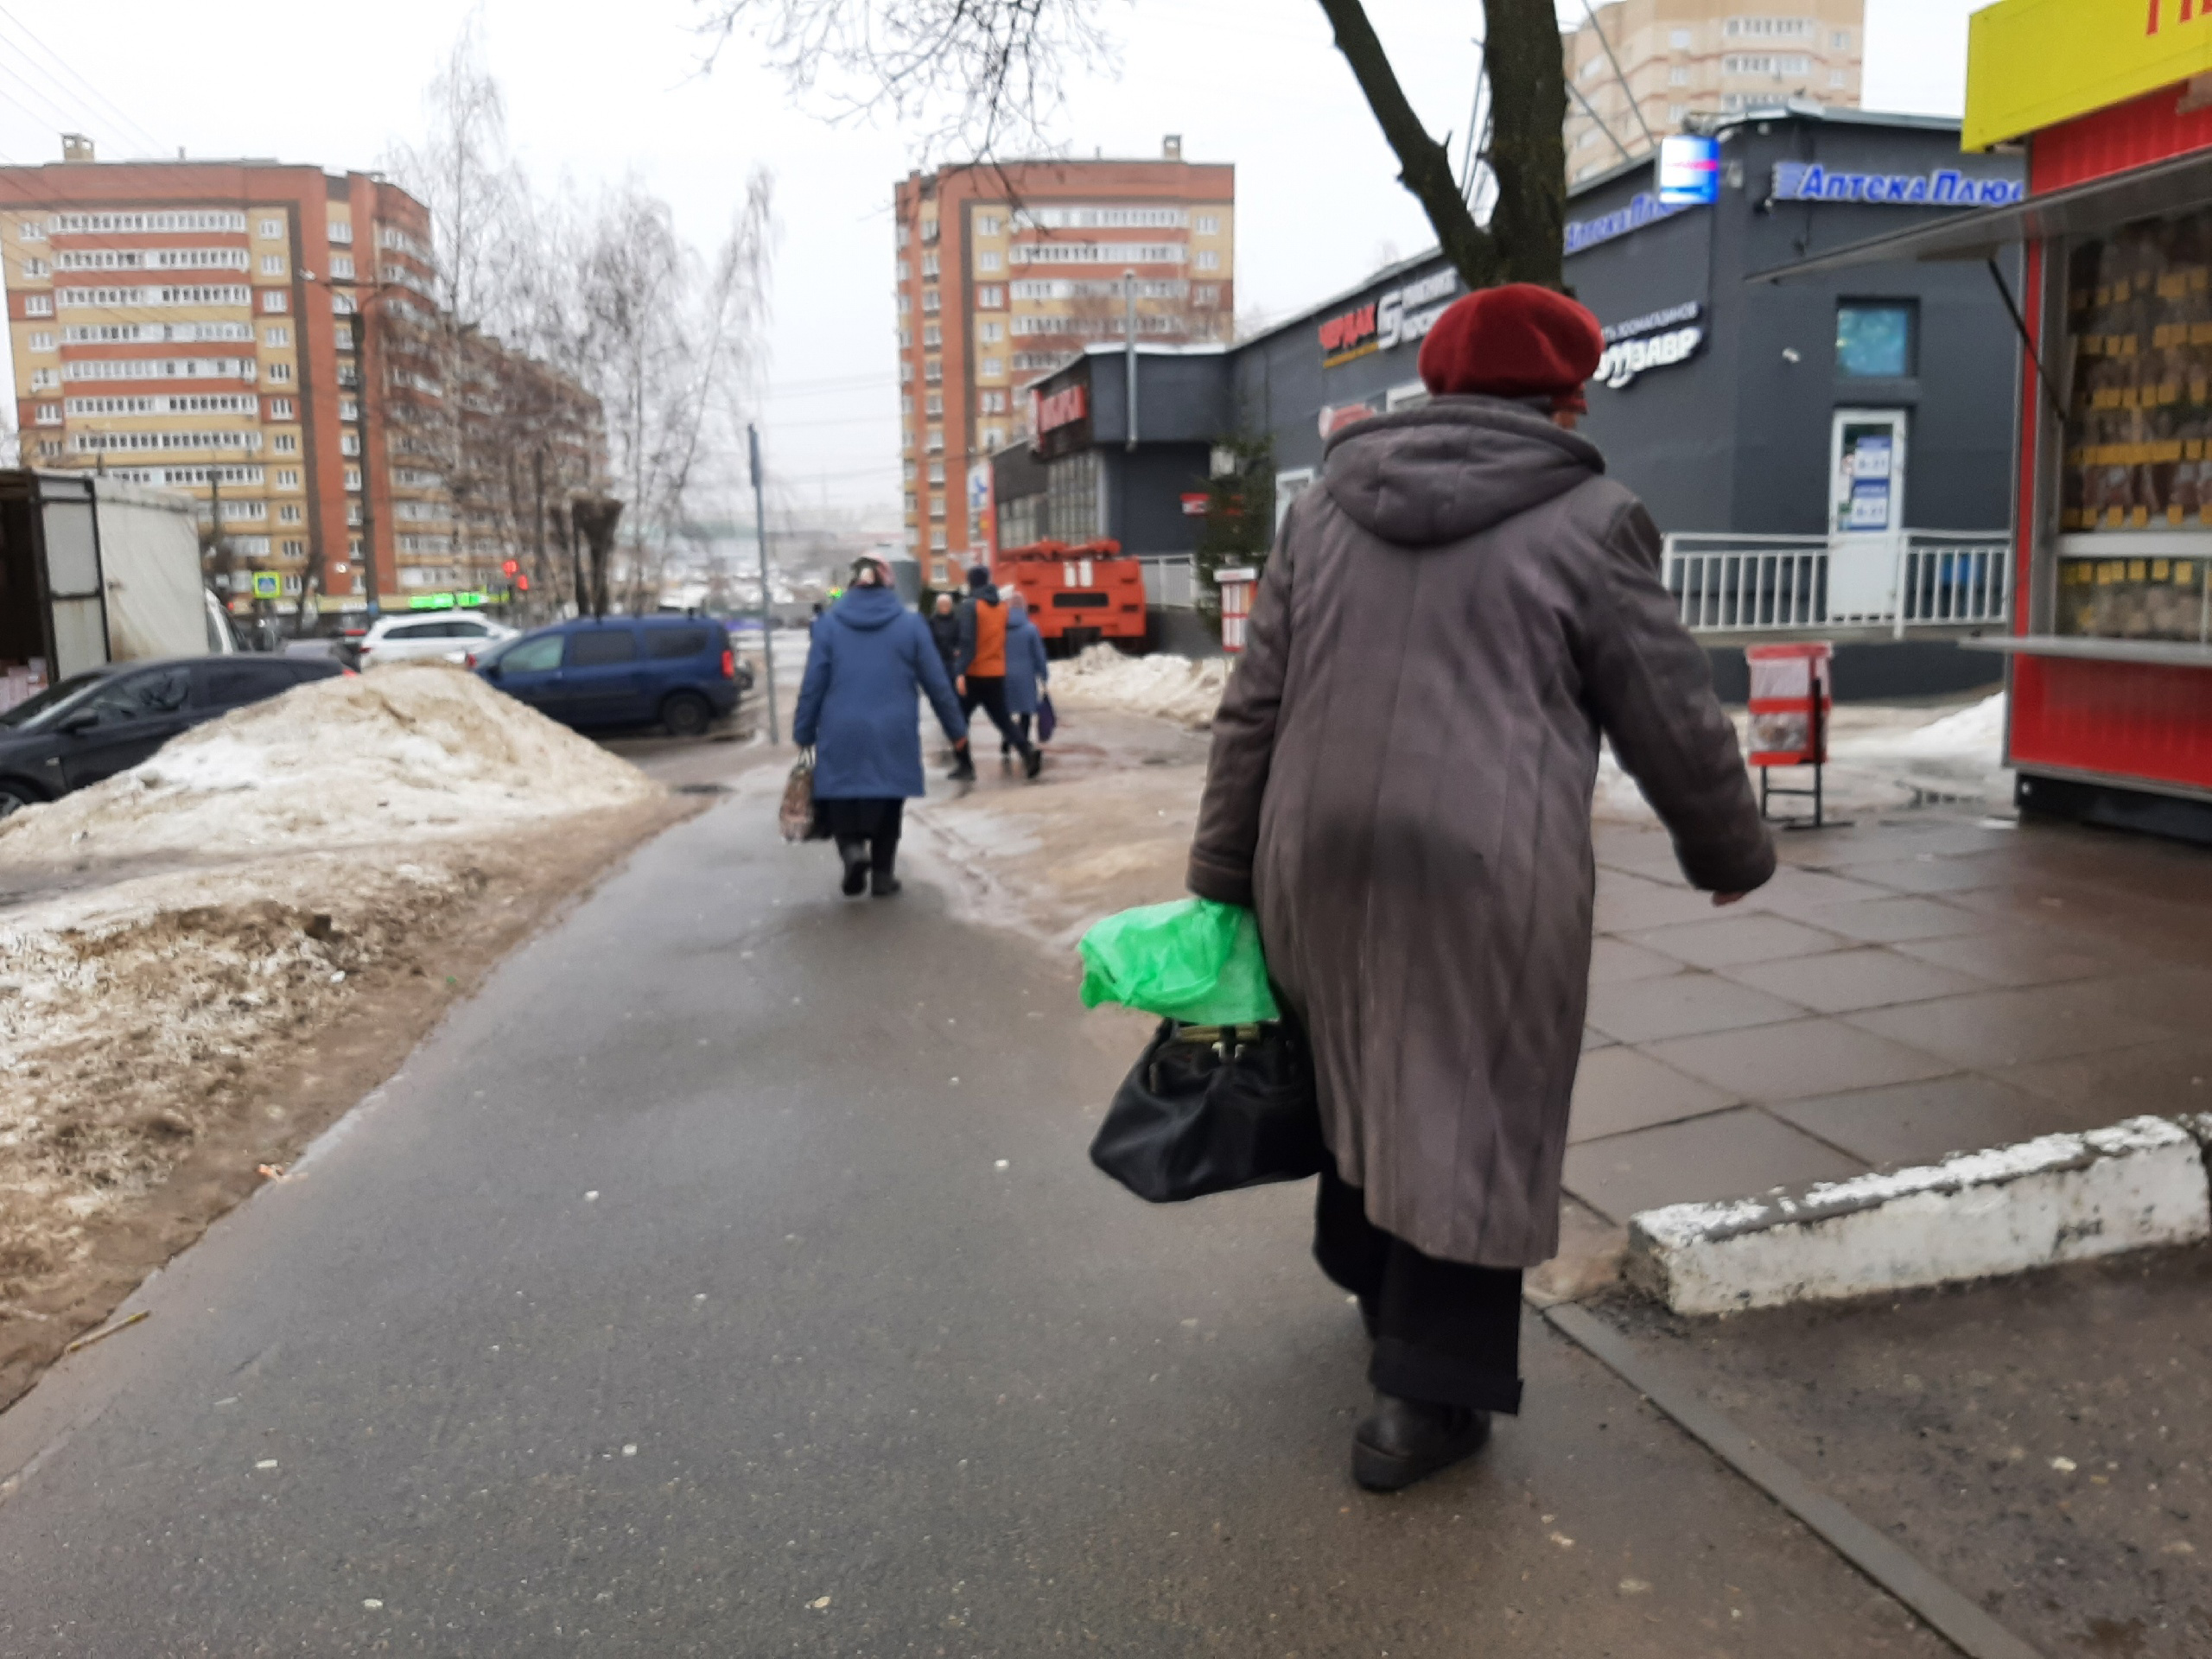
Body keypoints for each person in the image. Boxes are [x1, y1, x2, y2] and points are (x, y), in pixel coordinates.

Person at [1185, 284, 1775, 1493]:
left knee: (1357, 1062)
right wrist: (1728, 852)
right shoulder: (1595, 518)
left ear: (1440, 386)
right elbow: (1669, 710)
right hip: (1483, 873)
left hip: (1316, 857)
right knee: (1471, 1110)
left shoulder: (1322, 510)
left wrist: (1224, 866)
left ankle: (1371, 1284)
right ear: (1566, 396)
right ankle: (1424, 1401)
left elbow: (1255, 704)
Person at [792, 556, 969, 898]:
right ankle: (883, 876)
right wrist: (956, 730)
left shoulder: (828, 626)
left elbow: (813, 683)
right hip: (893, 728)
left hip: (841, 727)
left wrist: (804, 731)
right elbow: (936, 682)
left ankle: (852, 851)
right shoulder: (911, 625)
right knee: (889, 799)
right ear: (888, 585)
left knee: (842, 793)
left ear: (851, 587)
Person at [950, 563, 1040, 780]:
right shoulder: (1001, 608)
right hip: (996, 672)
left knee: (957, 719)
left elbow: (968, 643)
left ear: (971, 582)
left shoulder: (970, 606)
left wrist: (959, 671)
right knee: (1003, 719)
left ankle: (965, 766)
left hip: (974, 674)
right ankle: (1027, 754)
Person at [1001, 590, 1051, 756]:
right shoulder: (1031, 629)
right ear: (1024, 607)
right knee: (1025, 711)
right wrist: (1043, 674)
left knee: (1006, 710)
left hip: (1004, 675)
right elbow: (1039, 654)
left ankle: (1007, 739)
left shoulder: (1002, 628)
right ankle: (1022, 740)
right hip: (1026, 676)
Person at [928, 592, 962, 680]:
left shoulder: (957, 621)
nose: (944, 607)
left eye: (947, 604)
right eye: (941, 604)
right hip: (937, 661)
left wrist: (958, 649)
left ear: (951, 605)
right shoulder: (931, 621)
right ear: (937, 606)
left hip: (953, 662)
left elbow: (961, 639)